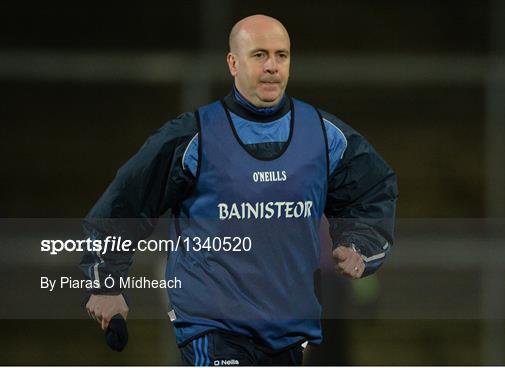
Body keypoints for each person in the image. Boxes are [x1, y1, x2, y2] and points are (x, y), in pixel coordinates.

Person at [80, 14, 397, 366]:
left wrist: (361, 243)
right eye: (259, 55)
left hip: (287, 332)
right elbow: (125, 203)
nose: (272, 66)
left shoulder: (323, 135)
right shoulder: (193, 138)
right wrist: (105, 283)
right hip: (213, 328)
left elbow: (374, 187)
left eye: (282, 55)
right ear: (233, 63)